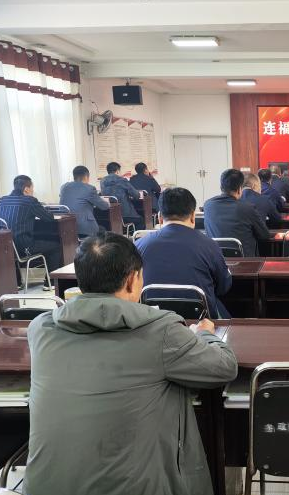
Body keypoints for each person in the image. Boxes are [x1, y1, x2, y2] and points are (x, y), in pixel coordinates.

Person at [24, 232, 237, 495]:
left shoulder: (40, 329)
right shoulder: (161, 330)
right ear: (132, 280)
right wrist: (204, 334)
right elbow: (224, 367)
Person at [136, 187, 232, 318]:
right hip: (201, 321)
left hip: (152, 319)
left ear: (159, 217)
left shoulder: (139, 245)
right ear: (193, 216)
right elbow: (224, 286)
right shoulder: (209, 245)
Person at [0, 175, 62, 275]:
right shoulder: (29, 201)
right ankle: (51, 281)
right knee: (56, 246)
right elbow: (49, 218)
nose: (32, 191)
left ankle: (19, 281)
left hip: (6, 248)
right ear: (26, 189)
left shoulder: (2, 201)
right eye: (32, 189)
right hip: (24, 247)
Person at [203, 169, 270, 257]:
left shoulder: (208, 205)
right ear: (239, 189)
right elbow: (264, 235)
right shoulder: (247, 208)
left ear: (221, 187)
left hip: (216, 259)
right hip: (244, 261)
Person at [60, 165, 110, 237]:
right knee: (103, 230)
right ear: (86, 177)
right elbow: (104, 206)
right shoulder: (89, 188)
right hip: (84, 229)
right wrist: (106, 202)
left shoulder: (64, 187)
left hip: (67, 228)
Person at [100, 161, 145, 230]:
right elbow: (136, 195)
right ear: (117, 171)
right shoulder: (122, 180)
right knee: (141, 220)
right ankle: (135, 236)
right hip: (125, 214)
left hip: (110, 215)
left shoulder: (102, 181)